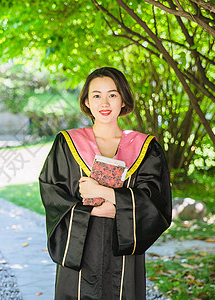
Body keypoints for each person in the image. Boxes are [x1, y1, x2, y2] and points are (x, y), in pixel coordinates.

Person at [39, 67, 172, 299]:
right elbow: (53, 194)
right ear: (87, 102)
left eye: (112, 94)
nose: (105, 102)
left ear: (123, 100)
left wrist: (106, 195)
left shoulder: (145, 148)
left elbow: (156, 201)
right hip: (79, 246)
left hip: (123, 249)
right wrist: (92, 213)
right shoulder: (67, 143)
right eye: (96, 95)